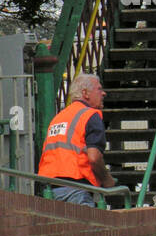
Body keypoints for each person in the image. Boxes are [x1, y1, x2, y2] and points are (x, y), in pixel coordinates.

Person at [37, 74, 117, 207]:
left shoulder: (59, 117)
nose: (104, 93)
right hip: (77, 188)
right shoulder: (90, 115)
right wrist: (107, 180)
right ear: (85, 93)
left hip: (50, 190)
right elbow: (94, 158)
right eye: (99, 89)